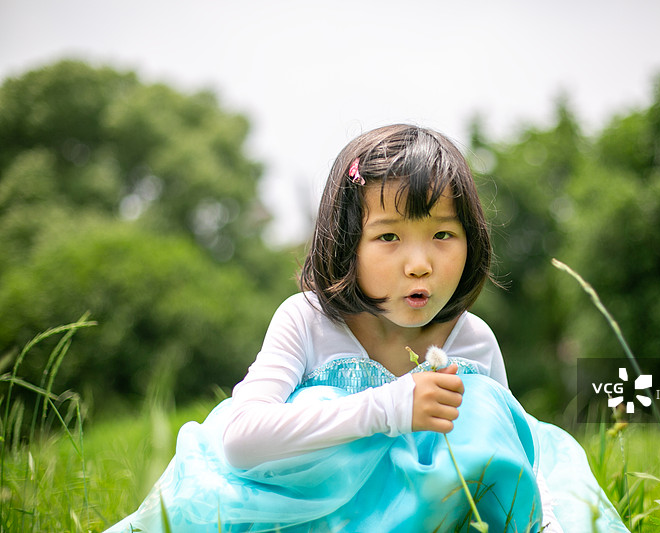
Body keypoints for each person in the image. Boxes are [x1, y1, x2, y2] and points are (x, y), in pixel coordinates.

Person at [106, 124, 629, 532]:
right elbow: (241, 441)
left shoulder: (473, 341)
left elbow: (512, 461)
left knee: (492, 413)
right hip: (313, 521)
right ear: (346, 242)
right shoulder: (307, 321)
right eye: (389, 238)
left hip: (430, 520)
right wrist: (390, 408)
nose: (419, 263)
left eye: (443, 233)